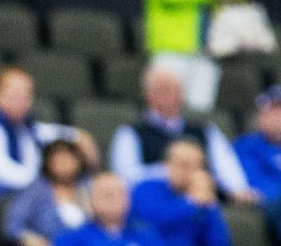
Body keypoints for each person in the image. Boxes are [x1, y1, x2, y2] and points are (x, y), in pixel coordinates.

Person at [0, 66, 94, 216]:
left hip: (22, 201)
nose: (22, 99)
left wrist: (79, 136)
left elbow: (49, 132)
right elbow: (3, 173)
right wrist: (51, 188)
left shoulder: (24, 128)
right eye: (15, 93)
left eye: (27, 94)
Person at [107, 61, 253, 200]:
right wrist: (171, 172)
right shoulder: (131, 132)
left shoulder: (204, 130)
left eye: (175, 89)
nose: (170, 95)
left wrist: (238, 189)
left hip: (201, 199)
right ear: (148, 94)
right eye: (163, 89)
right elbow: (126, 177)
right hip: (154, 204)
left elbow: (225, 165)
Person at [129, 139, 234, 246]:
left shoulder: (201, 196)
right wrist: (190, 201)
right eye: (184, 165)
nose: (191, 172)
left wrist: (211, 206)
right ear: (166, 165)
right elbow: (151, 223)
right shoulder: (145, 188)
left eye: (197, 166)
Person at [231, 86, 281, 204]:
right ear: (259, 117)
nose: (278, 119)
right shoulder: (245, 146)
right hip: (265, 211)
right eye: (272, 113)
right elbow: (253, 184)